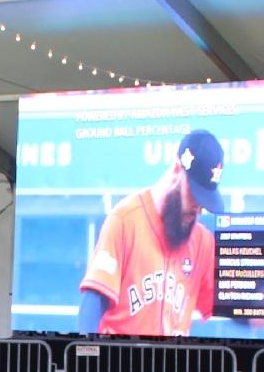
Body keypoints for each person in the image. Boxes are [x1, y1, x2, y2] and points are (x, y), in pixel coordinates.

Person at [77, 129, 224, 337]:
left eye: (204, 201)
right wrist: (87, 352)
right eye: (195, 196)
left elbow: (228, 303)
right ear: (177, 169)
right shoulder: (125, 220)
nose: (199, 208)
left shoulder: (202, 242)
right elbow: (92, 303)